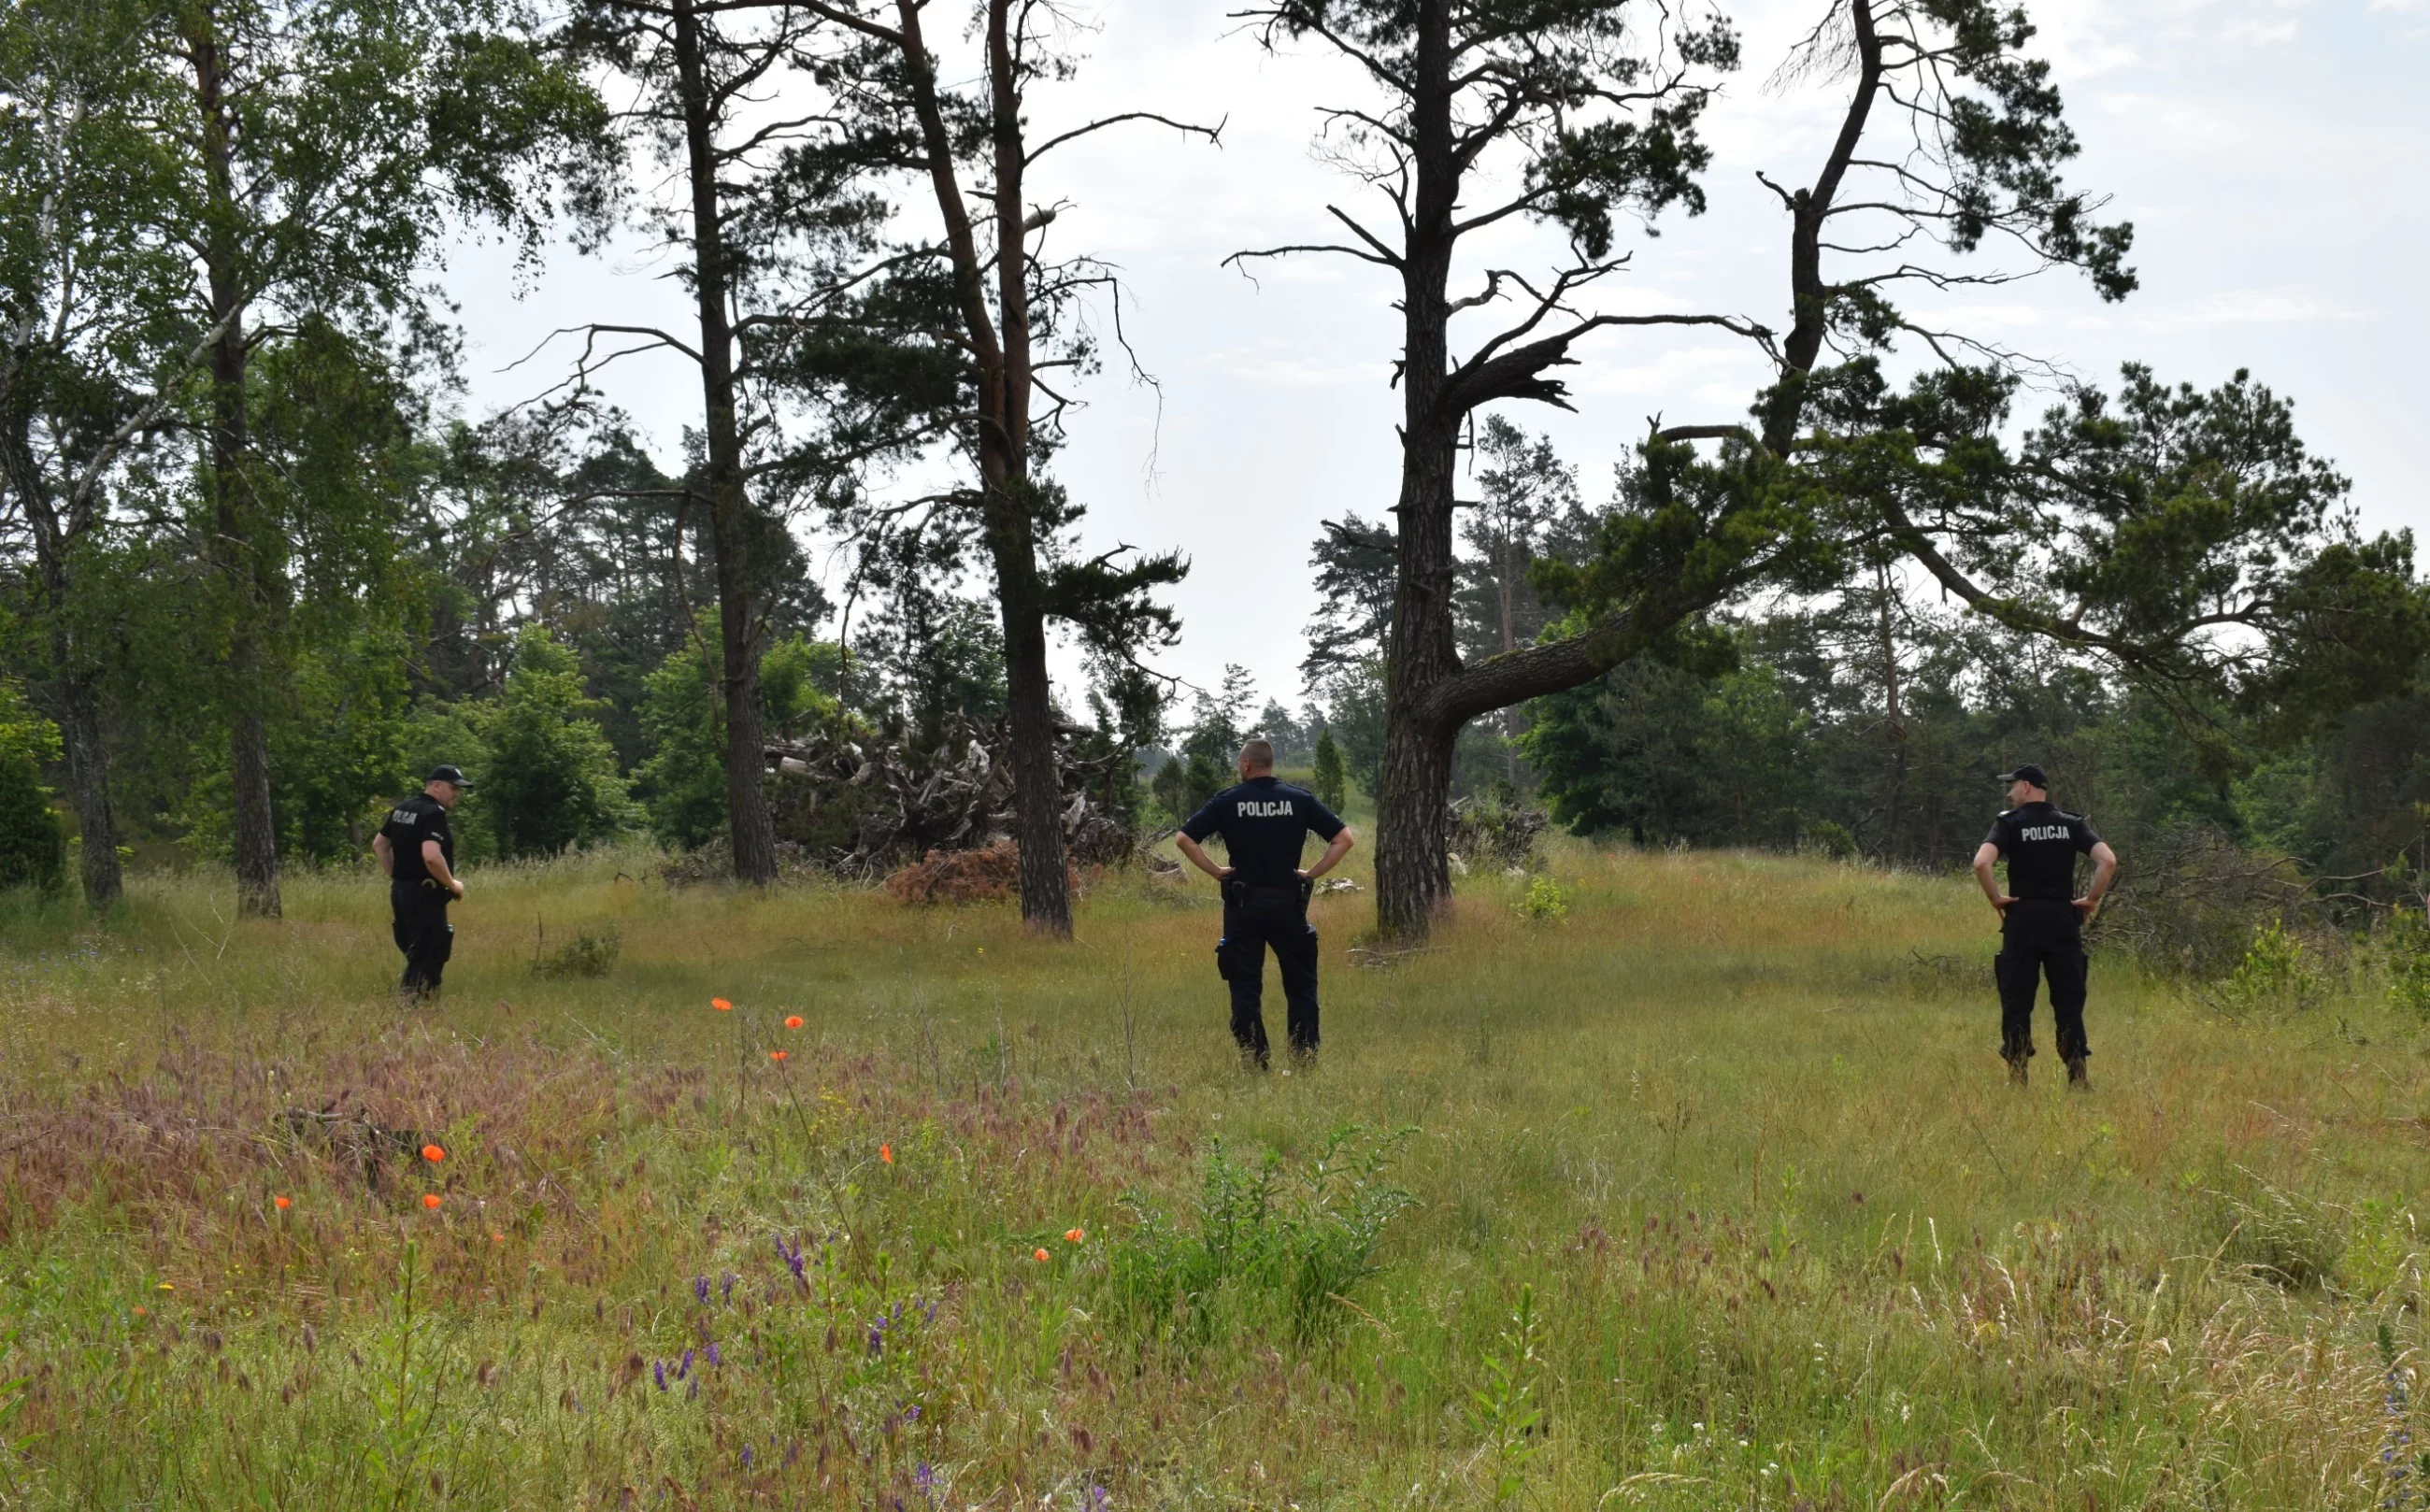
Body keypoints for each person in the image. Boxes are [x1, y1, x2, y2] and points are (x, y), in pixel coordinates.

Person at [1175, 738, 1355, 1069]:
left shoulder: (1228, 801)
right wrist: (1310, 874)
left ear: (1246, 764)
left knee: (1245, 987)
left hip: (1243, 906)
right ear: (1269, 764)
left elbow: (1184, 838)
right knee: (1301, 988)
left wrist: (1217, 872)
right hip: (1289, 904)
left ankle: (1257, 1061)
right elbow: (1344, 839)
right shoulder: (1299, 799)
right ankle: (1303, 1060)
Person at [1972, 763, 2119, 1089]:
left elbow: (1982, 862)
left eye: (2012, 787)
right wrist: (2091, 900)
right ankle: (2077, 1078)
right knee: (2068, 1001)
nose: (2009, 793)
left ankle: (2018, 1076)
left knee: (2017, 1001)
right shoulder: (2071, 824)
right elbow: (2107, 860)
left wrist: (1996, 898)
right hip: (2062, 920)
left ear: (2027, 787)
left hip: (2022, 920)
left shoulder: (2009, 825)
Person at [373, 765, 470, 1001]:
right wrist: (452, 884)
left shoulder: (402, 808)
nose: (456, 793)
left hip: (400, 891)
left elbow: (379, 845)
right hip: (426, 895)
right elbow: (431, 856)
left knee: (415, 952)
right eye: (453, 787)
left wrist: (397, 876)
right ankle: (414, 1012)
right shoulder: (433, 813)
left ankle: (416, 1013)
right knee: (429, 956)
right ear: (435, 785)